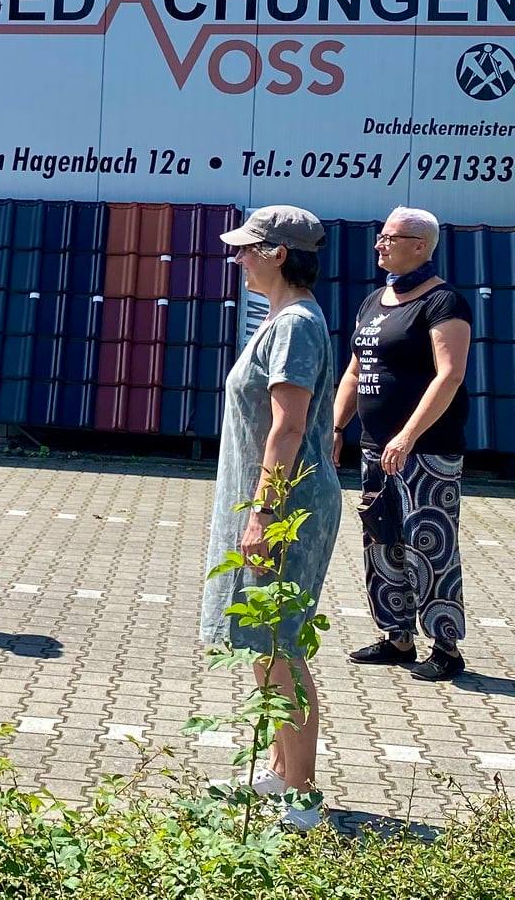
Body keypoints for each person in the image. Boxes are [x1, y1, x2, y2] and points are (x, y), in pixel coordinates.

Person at [199, 205, 340, 832]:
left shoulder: (296, 326)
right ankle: (283, 770)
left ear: (278, 253)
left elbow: (287, 427)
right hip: (271, 505)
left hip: (286, 511)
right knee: (263, 639)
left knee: (282, 645)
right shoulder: (282, 319)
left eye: (246, 249)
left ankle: (303, 797)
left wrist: (263, 514)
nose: (238, 260)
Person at [332, 207, 472, 682]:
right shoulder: (375, 300)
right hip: (375, 447)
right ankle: (397, 637)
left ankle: (446, 647)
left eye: (390, 238)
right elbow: (355, 370)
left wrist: (408, 435)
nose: (379, 245)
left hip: (427, 450)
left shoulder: (443, 302)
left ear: (420, 245)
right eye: (380, 236)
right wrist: (334, 429)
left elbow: (450, 374)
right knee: (382, 538)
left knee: (429, 544)